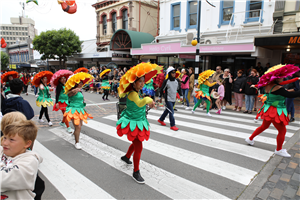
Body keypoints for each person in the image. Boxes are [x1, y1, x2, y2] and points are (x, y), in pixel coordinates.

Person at [245, 64, 300, 157]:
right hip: (275, 111)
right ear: (276, 78)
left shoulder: (270, 84)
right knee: (282, 130)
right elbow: (291, 95)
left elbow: (284, 83)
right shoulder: (278, 88)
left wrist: (296, 79)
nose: (283, 78)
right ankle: (279, 150)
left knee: (264, 126)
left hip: (268, 109)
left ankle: (250, 139)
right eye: (281, 77)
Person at [117, 63, 159, 184]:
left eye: (143, 81)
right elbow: (140, 103)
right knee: (139, 145)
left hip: (139, 121)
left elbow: (141, 102)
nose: (142, 83)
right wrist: (148, 100)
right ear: (133, 83)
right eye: (139, 81)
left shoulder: (138, 92)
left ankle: (126, 157)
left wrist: (148, 101)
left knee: (136, 142)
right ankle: (136, 172)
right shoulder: (132, 94)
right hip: (132, 122)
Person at [0, 117, 42, 200]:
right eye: (4, 138)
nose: (4, 143)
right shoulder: (2, 151)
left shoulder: (29, 161)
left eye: (11, 140)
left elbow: (4, 180)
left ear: (27, 143)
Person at [64, 72, 94, 150]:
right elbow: (69, 95)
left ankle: (74, 134)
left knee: (80, 126)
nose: (81, 84)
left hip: (80, 109)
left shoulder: (80, 91)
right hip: (73, 110)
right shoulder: (72, 90)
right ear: (76, 83)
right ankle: (77, 142)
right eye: (80, 83)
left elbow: (81, 99)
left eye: (82, 82)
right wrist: (75, 90)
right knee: (78, 127)